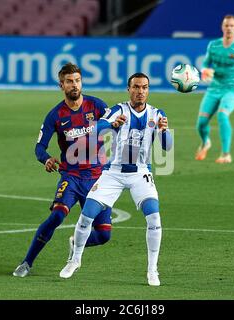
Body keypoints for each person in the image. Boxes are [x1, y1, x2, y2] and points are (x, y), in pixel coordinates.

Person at [59, 72, 173, 286]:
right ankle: (74, 260)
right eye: (136, 87)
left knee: (154, 217)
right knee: (86, 215)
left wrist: (164, 131)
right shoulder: (119, 110)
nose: (140, 91)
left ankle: (152, 270)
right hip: (113, 173)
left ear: (148, 90)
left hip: (140, 173)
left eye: (144, 87)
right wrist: (113, 125)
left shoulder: (157, 114)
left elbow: (167, 146)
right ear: (129, 89)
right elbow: (96, 128)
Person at [13, 63, 126, 277]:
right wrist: (46, 159)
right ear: (61, 85)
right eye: (69, 82)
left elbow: (117, 124)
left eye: (77, 80)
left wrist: (118, 124)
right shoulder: (55, 115)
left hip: (98, 178)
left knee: (103, 236)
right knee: (57, 215)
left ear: (81, 82)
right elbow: (39, 147)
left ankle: (76, 242)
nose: (74, 85)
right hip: (72, 177)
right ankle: (27, 262)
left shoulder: (97, 106)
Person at [195, 14, 234, 164]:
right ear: (222, 27)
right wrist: (204, 70)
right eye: (226, 25)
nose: (229, 28)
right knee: (201, 123)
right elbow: (205, 63)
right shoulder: (213, 45)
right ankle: (205, 142)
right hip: (214, 89)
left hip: (231, 90)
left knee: (222, 115)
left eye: (232, 25)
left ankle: (226, 154)